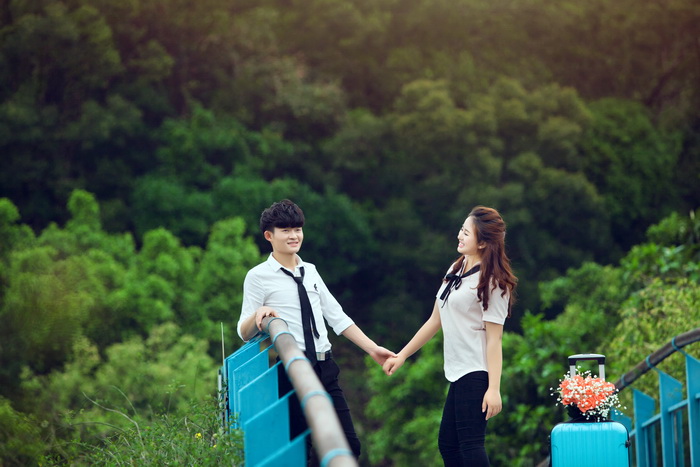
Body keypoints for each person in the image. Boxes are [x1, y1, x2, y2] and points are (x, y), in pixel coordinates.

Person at [237, 199, 395, 461]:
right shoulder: (258, 276)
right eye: (285, 230)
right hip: (292, 369)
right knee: (302, 451)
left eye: (297, 229)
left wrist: (372, 349)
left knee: (349, 446)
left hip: (325, 367)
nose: (294, 236)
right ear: (269, 236)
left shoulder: (309, 271)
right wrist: (258, 315)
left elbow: (337, 317)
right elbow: (244, 332)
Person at [383, 206, 517, 467]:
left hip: (476, 371)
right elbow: (435, 320)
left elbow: (494, 340)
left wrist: (493, 389)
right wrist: (402, 355)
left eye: (466, 233)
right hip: (458, 370)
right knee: (449, 445)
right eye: (461, 230)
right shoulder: (456, 268)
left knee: (471, 445)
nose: (459, 236)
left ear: (482, 242)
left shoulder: (494, 282)